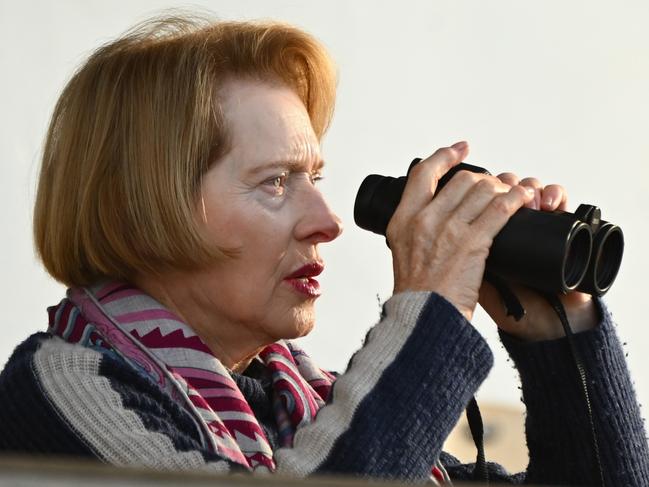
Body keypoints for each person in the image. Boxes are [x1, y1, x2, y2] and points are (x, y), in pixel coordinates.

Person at [0, 15, 647, 486]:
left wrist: (557, 336)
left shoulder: (303, 406)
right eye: (275, 182)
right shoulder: (63, 388)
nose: (327, 221)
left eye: (316, 178)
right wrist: (427, 316)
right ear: (142, 205)